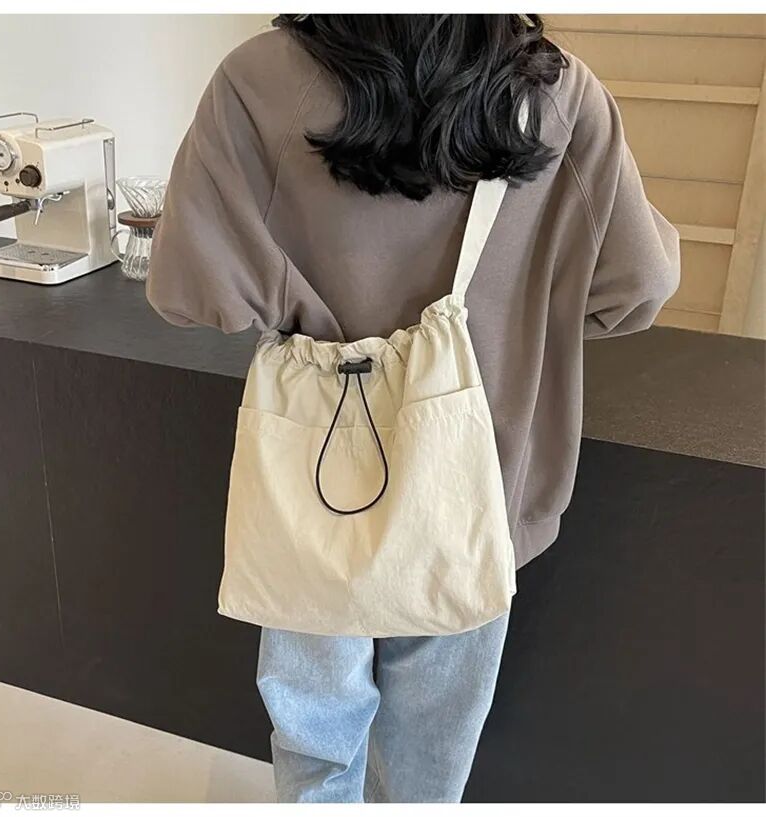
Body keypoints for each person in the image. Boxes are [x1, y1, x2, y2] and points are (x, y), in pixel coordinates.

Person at [146, 14, 680, 803]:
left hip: (316, 482)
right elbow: (636, 289)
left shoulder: (254, 80)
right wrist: (521, 313)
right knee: (430, 757)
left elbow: (189, 291)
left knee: (316, 742)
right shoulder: (562, 96)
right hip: (483, 487)